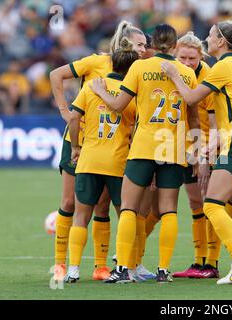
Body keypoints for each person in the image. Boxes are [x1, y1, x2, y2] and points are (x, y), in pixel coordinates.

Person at [91, 24, 199, 283]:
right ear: (175, 46)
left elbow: (118, 105)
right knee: (169, 210)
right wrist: (194, 151)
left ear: (152, 46)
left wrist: (101, 91)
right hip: (173, 147)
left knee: (129, 207)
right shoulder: (186, 73)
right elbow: (194, 117)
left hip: (145, 143)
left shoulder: (139, 67)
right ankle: (163, 269)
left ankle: (123, 268)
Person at [162, 21, 232, 285]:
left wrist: (174, 74)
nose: (207, 38)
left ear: (221, 41)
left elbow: (192, 98)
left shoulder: (223, 66)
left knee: (212, 205)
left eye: (210, 35)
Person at [49, 21, 147, 281]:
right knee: (70, 202)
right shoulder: (97, 62)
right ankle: (60, 264)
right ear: (125, 44)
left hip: (109, 148)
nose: (143, 50)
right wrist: (64, 111)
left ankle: (100, 267)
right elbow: (56, 74)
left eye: (145, 46)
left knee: (102, 207)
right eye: (139, 45)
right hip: (79, 141)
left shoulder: (137, 72)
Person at [64, 45, 139, 283]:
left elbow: (74, 117)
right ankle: (125, 267)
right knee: (125, 214)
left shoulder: (91, 86)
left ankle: (73, 269)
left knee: (81, 217)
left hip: (89, 159)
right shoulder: (132, 94)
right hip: (118, 162)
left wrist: (76, 146)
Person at [171, 31, 221, 279]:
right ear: (175, 54)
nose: (188, 62)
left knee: (209, 204)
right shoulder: (173, 75)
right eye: (183, 57)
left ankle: (211, 263)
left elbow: (213, 124)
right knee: (195, 204)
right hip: (182, 148)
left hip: (206, 149)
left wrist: (204, 157)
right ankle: (199, 262)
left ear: (201, 56)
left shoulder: (208, 78)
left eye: (192, 58)